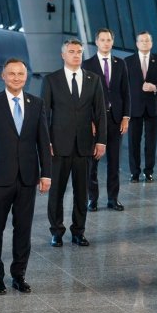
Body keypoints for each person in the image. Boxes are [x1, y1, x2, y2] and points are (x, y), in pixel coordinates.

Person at [0, 58, 51, 295]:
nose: (16, 78)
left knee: (23, 229)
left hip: (27, 178)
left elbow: (43, 141)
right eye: (12, 74)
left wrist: (46, 174)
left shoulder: (36, 104)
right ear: (3, 76)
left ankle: (19, 275)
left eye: (21, 74)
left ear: (26, 76)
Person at [41, 39, 106, 247]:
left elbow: (100, 113)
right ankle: (56, 231)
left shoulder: (93, 79)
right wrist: (46, 142)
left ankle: (79, 231)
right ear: (63, 55)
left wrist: (101, 141)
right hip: (58, 146)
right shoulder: (51, 80)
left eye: (79, 51)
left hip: (84, 146)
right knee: (56, 193)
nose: (76, 55)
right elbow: (44, 115)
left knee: (81, 192)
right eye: (71, 51)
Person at [82, 28, 130, 212]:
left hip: (116, 119)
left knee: (114, 162)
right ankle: (92, 199)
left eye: (108, 40)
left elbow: (126, 92)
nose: (106, 43)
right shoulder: (88, 64)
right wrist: (89, 121)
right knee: (92, 162)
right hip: (95, 121)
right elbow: (84, 96)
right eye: (102, 40)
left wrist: (125, 117)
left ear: (112, 42)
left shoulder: (120, 64)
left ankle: (113, 199)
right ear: (96, 42)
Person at [125, 31, 157, 183]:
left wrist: (155, 87)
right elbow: (122, 85)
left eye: (147, 40)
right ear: (137, 43)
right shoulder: (128, 61)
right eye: (142, 40)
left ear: (151, 43)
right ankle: (134, 173)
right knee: (133, 142)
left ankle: (149, 171)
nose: (145, 43)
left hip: (152, 107)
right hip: (134, 108)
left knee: (151, 142)